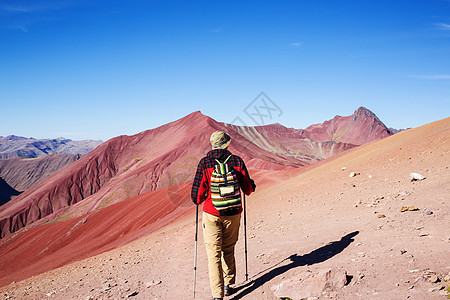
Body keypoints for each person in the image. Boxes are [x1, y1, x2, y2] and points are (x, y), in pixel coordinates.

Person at [191, 130, 255, 300]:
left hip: (212, 213)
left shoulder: (204, 163)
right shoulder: (236, 161)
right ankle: (228, 285)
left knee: (214, 255)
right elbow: (248, 189)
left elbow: (196, 197)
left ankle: (217, 296)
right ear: (227, 144)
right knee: (228, 249)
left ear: (212, 144)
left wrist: (205, 196)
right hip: (233, 214)